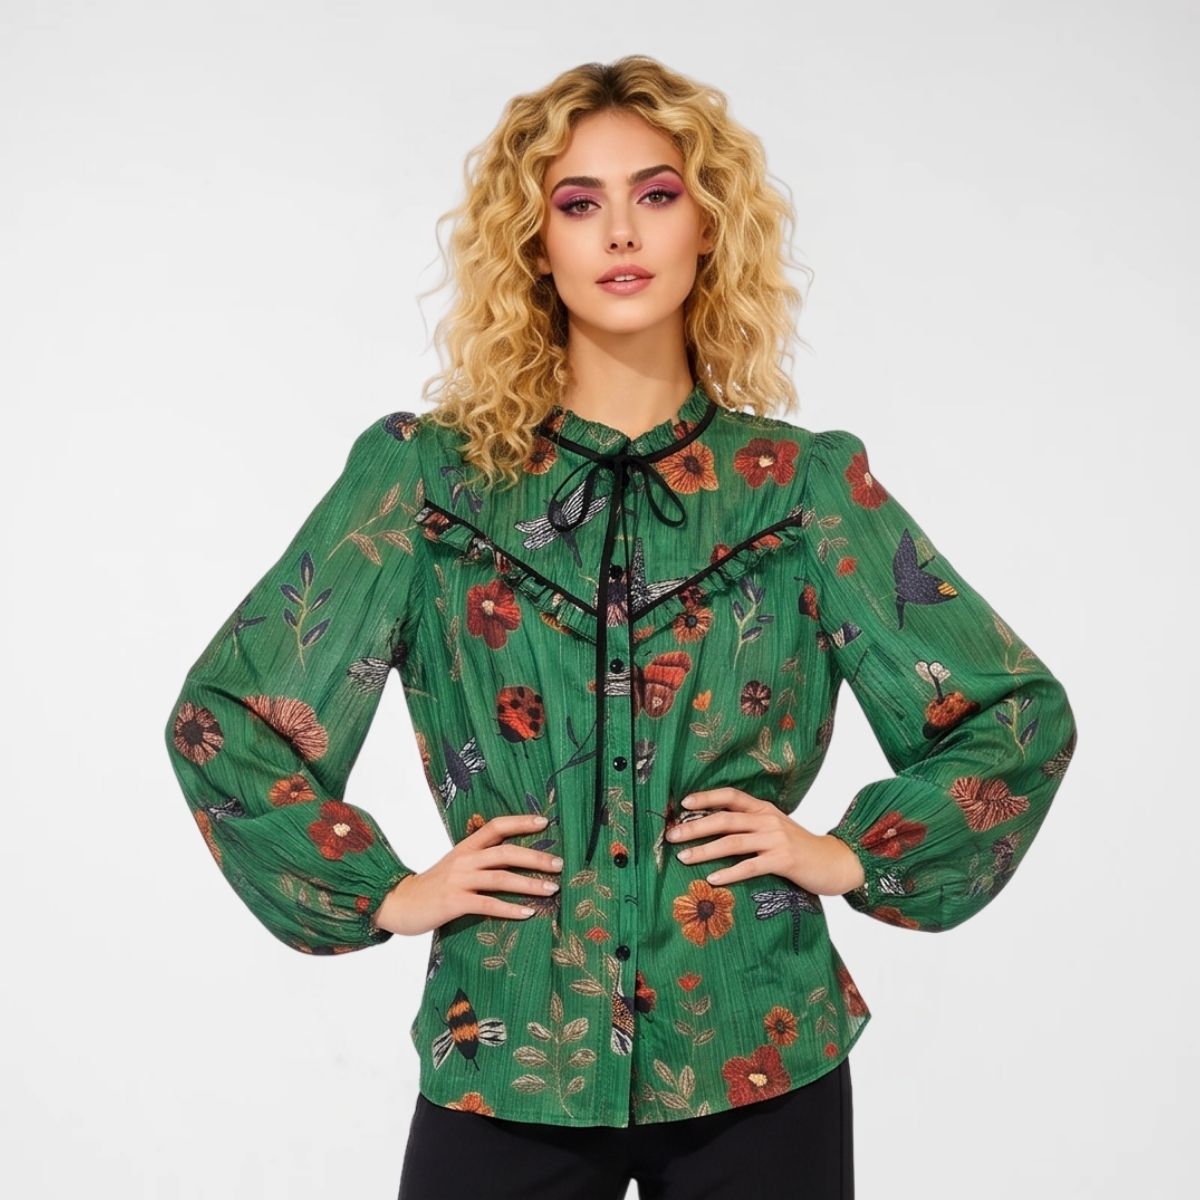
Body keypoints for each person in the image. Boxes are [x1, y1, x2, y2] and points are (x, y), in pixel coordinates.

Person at [164, 56, 1078, 1200]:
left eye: (656, 193)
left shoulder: (799, 488)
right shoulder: (427, 482)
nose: (620, 232)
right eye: (577, 203)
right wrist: (385, 890)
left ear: (709, 226)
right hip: (508, 1045)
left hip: (760, 1043)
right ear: (533, 245)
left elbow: (1011, 715)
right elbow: (228, 718)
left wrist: (849, 854)